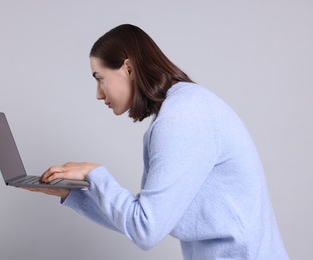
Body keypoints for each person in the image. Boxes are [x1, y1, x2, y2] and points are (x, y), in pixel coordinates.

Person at [23, 24, 289, 259]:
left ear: (128, 68)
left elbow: (145, 229)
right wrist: (73, 194)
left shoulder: (182, 117)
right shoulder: (184, 108)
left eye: (100, 79)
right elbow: (144, 218)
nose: (97, 93)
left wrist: (94, 174)